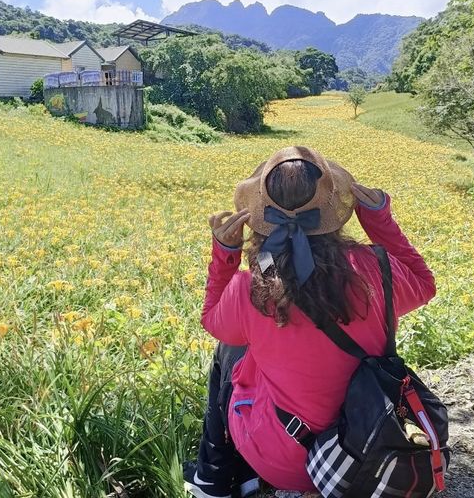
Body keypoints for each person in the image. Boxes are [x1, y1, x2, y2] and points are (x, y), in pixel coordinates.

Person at [183, 146, 436, 498]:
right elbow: (424, 285)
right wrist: (380, 221)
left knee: (232, 348)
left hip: (284, 462)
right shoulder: (377, 270)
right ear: (335, 208)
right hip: (367, 448)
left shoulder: (250, 289)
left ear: (260, 212)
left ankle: (213, 478)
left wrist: (225, 254)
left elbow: (212, 320)